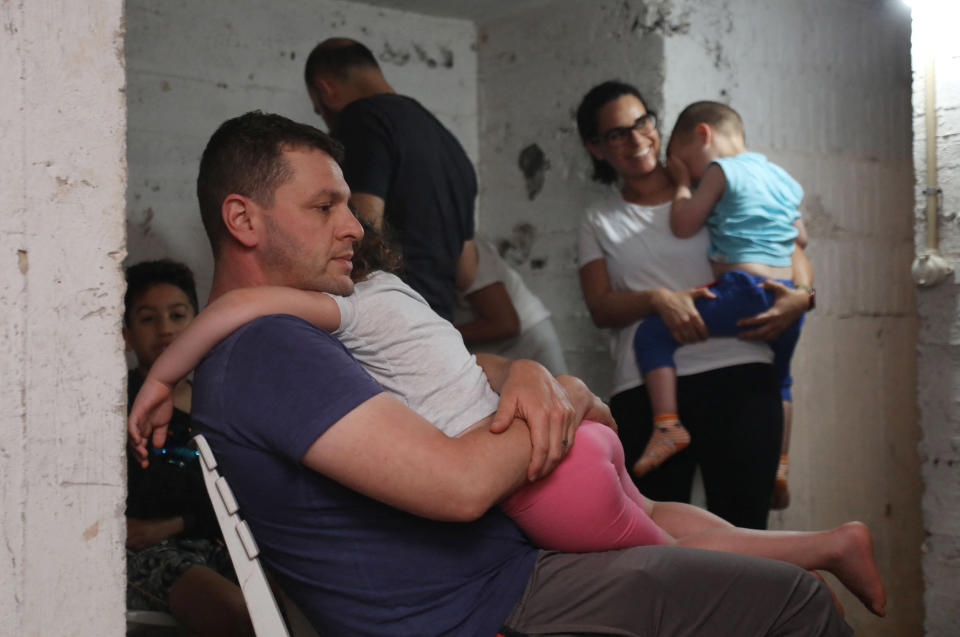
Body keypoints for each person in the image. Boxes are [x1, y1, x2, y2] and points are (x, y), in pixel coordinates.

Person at [129, 111, 854, 636]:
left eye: (349, 202)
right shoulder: (269, 348)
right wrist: (564, 392)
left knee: (733, 568)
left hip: (509, 577)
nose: (353, 225)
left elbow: (444, 368)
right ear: (243, 220)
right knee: (796, 603)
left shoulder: (295, 327)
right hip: (490, 606)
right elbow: (461, 483)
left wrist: (524, 375)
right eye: (325, 206)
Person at [576, 81, 815, 530]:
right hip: (647, 394)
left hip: (742, 377)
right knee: (661, 544)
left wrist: (801, 298)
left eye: (642, 123)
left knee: (747, 537)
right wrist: (657, 300)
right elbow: (600, 307)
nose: (636, 139)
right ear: (596, 148)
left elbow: (793, 255)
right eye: (616, 134)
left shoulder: (717, 182)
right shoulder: (599, 218)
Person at [629, 101, 810, 480]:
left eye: (683, 160)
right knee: (782, 379)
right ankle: (780, 463)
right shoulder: (782, 177)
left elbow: (683, 224)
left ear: (703, 135)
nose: (690, 174)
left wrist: (681, 185)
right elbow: (801, 238)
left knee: (651, 335)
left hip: (744, 288)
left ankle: (667, 427)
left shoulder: (720, 170)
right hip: (787, 293)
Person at [122, 259, 253, 637]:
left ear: (198, 324)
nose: (165, 329)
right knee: (238, 616)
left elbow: (246, 492)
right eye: (148, 319)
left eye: (177, 315)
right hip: (150, 555)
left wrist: (178, 522)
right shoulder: (120, 406)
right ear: (127, 335)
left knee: (298, 599)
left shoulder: (217, 403)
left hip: (222, 544)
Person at [304, 37, 476, 321]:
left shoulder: (361, 120)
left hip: (388, 321)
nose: (323, 117)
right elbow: (467, 273)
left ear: (326, 89)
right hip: (439, 327)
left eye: (318, 109)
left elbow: (362, 232)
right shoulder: (449, 144)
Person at [453, 235, 569, 374]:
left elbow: (506, 324)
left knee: (556, 393)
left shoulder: (464, 250)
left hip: (526, 341)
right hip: (495, 350)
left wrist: (444, 334)